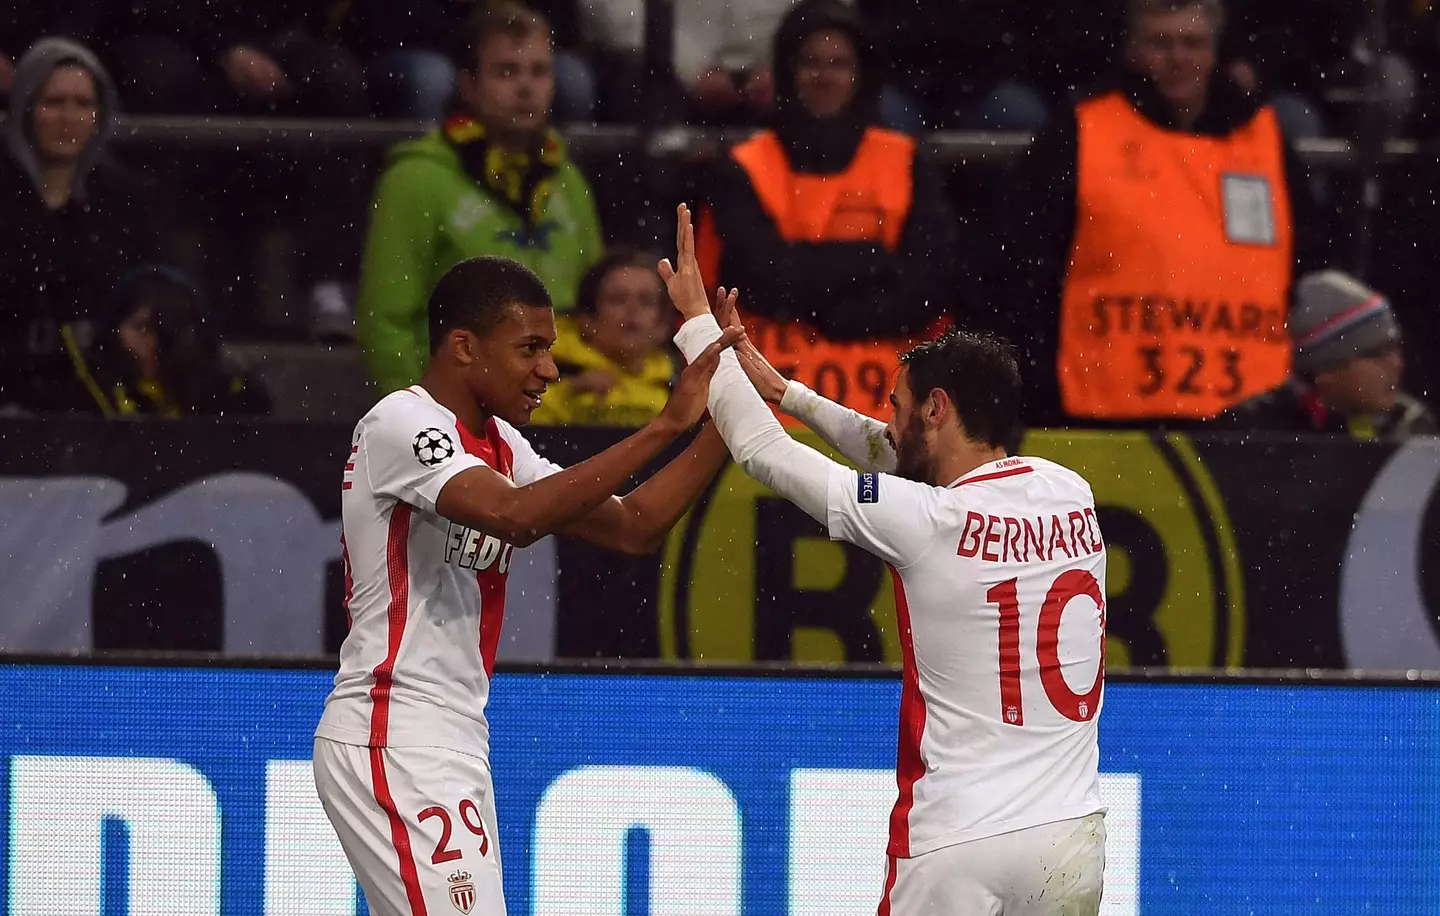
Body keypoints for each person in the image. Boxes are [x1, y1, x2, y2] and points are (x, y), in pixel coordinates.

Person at [665, 204, 1109, 914]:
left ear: (936, 408)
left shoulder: (931, 520)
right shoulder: (1071, 495)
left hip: (958, 838)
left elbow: (763, 454)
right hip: (1068, 835)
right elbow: (899, 454)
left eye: (896, 404)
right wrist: (786, 393)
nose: (888, 418)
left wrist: (696, 330)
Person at [313, 255, 740, 915]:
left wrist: (728, 415)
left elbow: (635, 526)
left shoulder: (503, 445)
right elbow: (515, 517)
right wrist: (662, 424)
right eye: (531, 349)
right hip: (394, 732)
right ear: (463, 347)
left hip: (450, 738)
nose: (549, 368)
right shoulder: (402, 424)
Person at [1008, 0, 1325, 427]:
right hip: (1107, 413)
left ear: (1215, 52)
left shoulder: (1264, 138)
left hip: (1253, 418)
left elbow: (1311, 261)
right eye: (1161, 43)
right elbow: (1025, 268)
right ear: (1132, 50)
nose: (1178, 58)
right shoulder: (1080, 132)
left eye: (1192, 43)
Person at [695, 0, 959, 422]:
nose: (825, 76)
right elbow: (754, 276)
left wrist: (830, 306)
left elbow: (929, 286)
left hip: (892, 412)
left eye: (839, 62)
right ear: (787, 72)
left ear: (861, 74)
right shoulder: (743, 166)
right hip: (764, 409)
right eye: (810, 62)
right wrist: (871, 260)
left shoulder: (906, 160)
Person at [357, 1, 604, 393]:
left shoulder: (567, 178)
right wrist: (419, 421)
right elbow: (385, 323)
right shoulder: (415, 178)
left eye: (539, 71)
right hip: (458, 419)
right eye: (506, 71)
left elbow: (599, 310)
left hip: (565, 411)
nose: (526, 86)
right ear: (468, 83)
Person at [0, 38, 159, 414]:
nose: (68, 118)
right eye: (53, 103)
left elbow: (151, 285)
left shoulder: (127, 199)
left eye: (83, 104)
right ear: (26, 109)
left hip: (100, 397)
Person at [1217, 270, 1438, 439]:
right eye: (1376, 354)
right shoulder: (1250, 434)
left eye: (1394, 347)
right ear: (1326, 371)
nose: (1397, 364)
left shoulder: (1410, 426)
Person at [66, 266, 271, 418]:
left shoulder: (227, 396)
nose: (154, 343)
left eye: (170, 330)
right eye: (142, 328)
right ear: (113, 326)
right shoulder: (88, 392)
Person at [529, 248, 677, 426]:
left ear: (662, 324)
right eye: (618, 299)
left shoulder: (676, 386)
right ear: (587, 320)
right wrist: (567, 392)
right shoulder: (545, 372)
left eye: (646, 301)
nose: (633, 309)